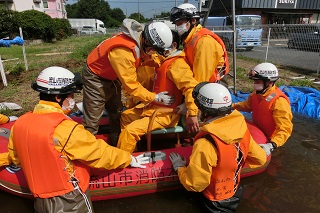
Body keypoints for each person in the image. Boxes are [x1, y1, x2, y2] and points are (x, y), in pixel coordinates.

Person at [4, 66, 149, 213]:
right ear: (58, 97)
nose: (73, 100)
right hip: (69, 200)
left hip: (40, 201)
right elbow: (98, 153)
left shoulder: (21, 123)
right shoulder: (65, 128)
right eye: (71, 96)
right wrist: (128, 158)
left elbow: (16, 158)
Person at [169, 82, 267, 213]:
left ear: (203, 110)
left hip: (213, 202)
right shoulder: (242, 130)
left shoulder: (205, 142)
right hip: (234, 193)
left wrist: (179, 167)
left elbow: (195, 184)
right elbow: (260, 159)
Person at [82, 19, 174, 146]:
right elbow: (132, 87)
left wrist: (164, 62)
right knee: (92, 119)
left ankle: (115, 145)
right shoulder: (123, 52)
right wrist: (155, 97)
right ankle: (86, 151)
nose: (154, 54)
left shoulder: (140, 41)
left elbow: (147, 58)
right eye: (154, 51)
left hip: (112, 77)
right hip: (95, 77)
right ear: (149, 45)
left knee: (116, 112)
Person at [117, 30, 200, 153]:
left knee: (130, 131)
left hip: (165, 115)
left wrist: (192, 113)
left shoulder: (177, 64)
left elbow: (190, 88)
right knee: (126, 116)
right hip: (154, 109)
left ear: (173, 46)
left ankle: (123, 161)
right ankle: (132, 151)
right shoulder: (163, 63)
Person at [232, 62, 293, 156]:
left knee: (273, 165)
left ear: (269, 82)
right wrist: (231, 106)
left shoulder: (279, 101)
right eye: (254, 81)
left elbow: (285, 128)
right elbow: (247, 106)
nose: (255, 84)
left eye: (258, 81)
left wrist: (272, 145)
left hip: (272, 142)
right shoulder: (256, 94)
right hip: (258, 134)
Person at [169, 3, 229, 82]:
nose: (178, 27)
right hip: (204, 84)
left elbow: (201, 79)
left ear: (193, 20)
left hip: (214, 87)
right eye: (176, 24)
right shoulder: (190, 40)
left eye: (180, 23)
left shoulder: (204, 42)